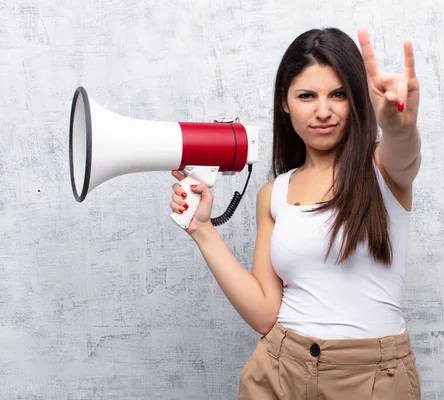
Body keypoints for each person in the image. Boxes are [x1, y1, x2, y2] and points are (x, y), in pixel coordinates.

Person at [170, 26, 422, 400]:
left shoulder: (383, 169)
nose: (324, 111)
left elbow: (404, 147)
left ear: (356, 99)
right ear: (285, 102)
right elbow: (263, 314)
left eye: (338, 94)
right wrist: (202, 229)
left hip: (370, 379)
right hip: (279, 371)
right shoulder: (274, 194)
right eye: (307, 96)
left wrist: (397, 124)